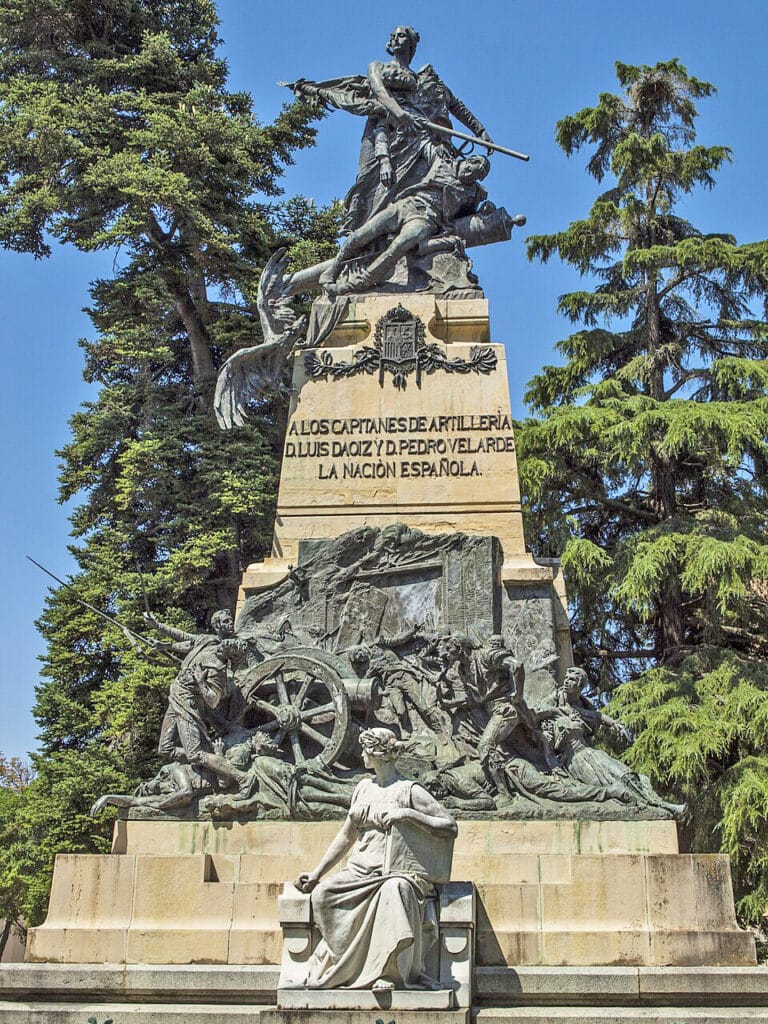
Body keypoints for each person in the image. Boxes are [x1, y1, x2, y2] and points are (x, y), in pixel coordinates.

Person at [293, 727, 457, 990]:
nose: (361, 755)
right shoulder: (363, 788)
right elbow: (346, 837)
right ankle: (346, 964)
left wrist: (409, 815)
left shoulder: (409, 790)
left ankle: (387, 972)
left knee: (395, 891)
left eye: (365, 750)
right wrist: (317, 874)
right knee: (322, 895)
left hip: (397, 872)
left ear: (378, 753)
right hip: (360, 870)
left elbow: (449, 826)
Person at [283, 26, 491, 233]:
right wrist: (398, 112)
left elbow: (456, 106)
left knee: (418, 182)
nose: (395, 39)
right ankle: (364, 233)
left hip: (417, 135)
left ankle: (412, 225)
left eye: (401, 36)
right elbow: (378, 89)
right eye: (393, 36)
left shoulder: (422, 80)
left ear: (411, 43)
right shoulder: (377, 66)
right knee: (369, 178)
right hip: (384, 128)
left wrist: (479, 130)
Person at [320, 153, 491, 296]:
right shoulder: (441, 160)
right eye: (470, 170)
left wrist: (485, 211)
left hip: (426, 219)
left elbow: (467, 217)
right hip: (405, 205)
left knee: (398, 246)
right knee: (359, 236)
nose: (469, 175)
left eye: (475, 176)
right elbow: (422, 141)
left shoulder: (473, 193)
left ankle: (360, 282)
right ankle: (332, 271)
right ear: (468, 162)